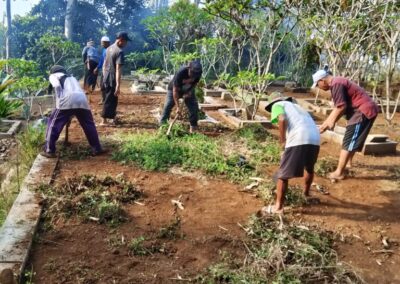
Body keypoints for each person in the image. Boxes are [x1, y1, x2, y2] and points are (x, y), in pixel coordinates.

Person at [312, 69, 379, 180]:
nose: (318, 88)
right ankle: (348, 163)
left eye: (317, 85)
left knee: (348, 141)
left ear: (322, 80)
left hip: (362, 111)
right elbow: (340, 106)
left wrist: (327, 124)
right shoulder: (338, 81)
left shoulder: (336, 83)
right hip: (362, 110)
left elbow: (341, 107)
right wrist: (330, 121)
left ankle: (339, 173)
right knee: (352, 139)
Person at [261, 92, 320, 215]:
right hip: (315, 137)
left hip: (298, 137)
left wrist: (283, 141)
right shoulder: (297, 107)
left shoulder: (277, 105)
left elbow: (282, 119)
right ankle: (306, 194)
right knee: (309, 167)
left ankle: (278, 207)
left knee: (283, 175)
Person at [41, 65, 105, 158]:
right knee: (89, 125)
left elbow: (57, 85)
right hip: (82, 100)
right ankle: (97, 148)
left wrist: (59, 101)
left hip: (66, 100)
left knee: (53, 124)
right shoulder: (71, 77)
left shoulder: (53, 76)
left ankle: (49, 150)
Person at [160, 60, 202, 133]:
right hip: (175, 89)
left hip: (188, 90)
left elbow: (195, 84)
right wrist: (178, 107)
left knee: (194, 107)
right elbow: (175, 90)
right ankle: (162, 126)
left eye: (195, 75)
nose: (193, 76)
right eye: (192, 74)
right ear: (188, 68)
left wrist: (189, 91)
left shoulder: (198, 73)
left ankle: (193, 127)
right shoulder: (181, 72)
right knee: (168, 106)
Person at [101, 32, 130, 126]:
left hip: (105, 77)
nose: (126, 44)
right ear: (121, 40)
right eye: (126, 42)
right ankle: (104, 120)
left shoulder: (108, 48)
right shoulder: (119, 52)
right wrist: (118, 84)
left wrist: (104, 75)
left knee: (108, 98)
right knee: (111, 100)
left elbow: (104, 64)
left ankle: (111, 119)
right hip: (112, 78)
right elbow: (118, 69)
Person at [95, 36, 111, 105]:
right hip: (104, 70)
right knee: (102, 85)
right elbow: (102, 60)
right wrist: (97, 67)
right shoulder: (104, 50)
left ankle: (106, 100)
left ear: (107, 43)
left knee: (106, 86)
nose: (101, 44)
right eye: (101, 43)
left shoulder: (110, 50)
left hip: (109, 71)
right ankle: (104, 99)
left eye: (103, 43)